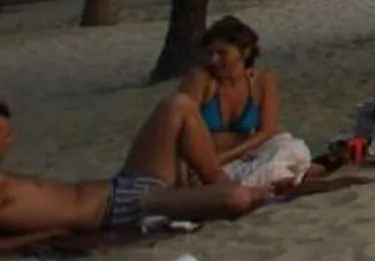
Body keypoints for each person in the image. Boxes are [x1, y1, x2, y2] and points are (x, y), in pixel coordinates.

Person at [0, 93, 271, 248]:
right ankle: (262, 191)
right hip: (125, 209)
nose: (10, 142)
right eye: (4, 136)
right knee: (236, 199)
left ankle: (217, 181)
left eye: (9, 134)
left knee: (178, 105)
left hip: (122, 185)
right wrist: (46, 235)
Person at [177, 15, 283, 167]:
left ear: (245, 52)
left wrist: (224, 157)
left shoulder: (263, 80)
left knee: (288, 147)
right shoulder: (201, 80)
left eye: (221, 53)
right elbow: (180, 132)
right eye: (210, 54)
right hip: (200, 161)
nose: (213, 60)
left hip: (236, 156)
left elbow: (266, 131)